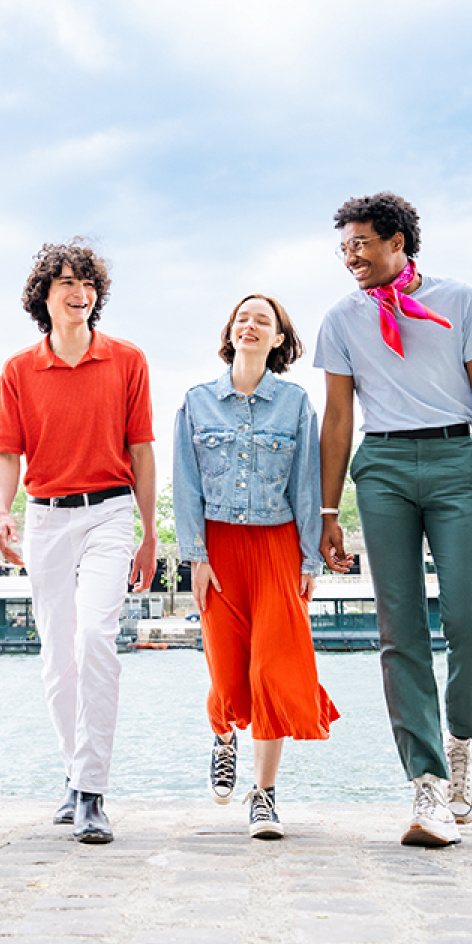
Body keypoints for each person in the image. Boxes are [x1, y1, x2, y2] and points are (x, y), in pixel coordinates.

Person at [315, 192, 472, 847]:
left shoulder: (458, 301)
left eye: (361, 243)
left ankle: (462, 744)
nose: (351, 256)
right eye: (344, 247)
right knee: (398, 630)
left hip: (451, 459)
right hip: (379, 469)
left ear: (398, 242)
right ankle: (427, 785)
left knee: (469, 621)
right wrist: (329, 512)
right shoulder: (342, 319)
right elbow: (338, 420)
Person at [0, 240, 156, 845]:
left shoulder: (128, 361)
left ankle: (92, 792)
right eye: (65, 281)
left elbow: (141, 450)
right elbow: (8, 453)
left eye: (87, 282)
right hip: (45, 519)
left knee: (95, 639)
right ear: (44, 296)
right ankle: (73, 774)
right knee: (57, 659)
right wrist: (2, 512)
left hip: (110, 512)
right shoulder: (17, 370)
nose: (78, 291)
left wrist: (149, 530)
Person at [172, 293, 340, 840]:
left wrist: (309, 557)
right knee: (227, 670)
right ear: (230, 333)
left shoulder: (295, 404)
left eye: (262, 321)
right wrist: (195, 555)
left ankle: (264, 796)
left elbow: (307, 484)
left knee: (272, 670)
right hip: (218, 547)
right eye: (242, 318)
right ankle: (224, 736)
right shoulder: (197, 402)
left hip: (277, 545)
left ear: (278, 340)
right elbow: (186, 485)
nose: (250, 326)